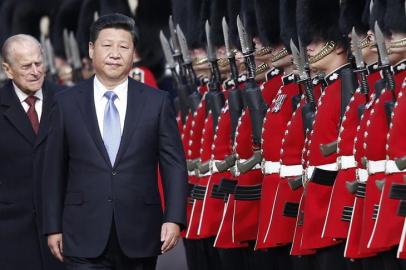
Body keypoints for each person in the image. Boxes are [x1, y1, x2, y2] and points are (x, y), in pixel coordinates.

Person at [42, 13, 187, 270]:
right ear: (91, 49)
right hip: (82, 232)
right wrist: (52, 226)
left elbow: (173, 163)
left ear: (134, 53)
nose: (115, 53)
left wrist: (174, 217)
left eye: (124, 46)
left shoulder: (157, 102)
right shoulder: (66, 103)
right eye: (107, 45)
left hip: (139, 232)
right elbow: (53, 168)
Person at [0, 34, 65, 270]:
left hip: (65, 232)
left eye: (39, 63)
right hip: (12, 236)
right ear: (8, 70)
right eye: (26, 66)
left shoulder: (68, 100)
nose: (35, 71)